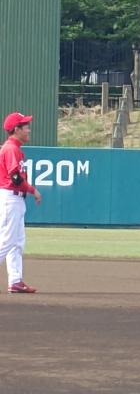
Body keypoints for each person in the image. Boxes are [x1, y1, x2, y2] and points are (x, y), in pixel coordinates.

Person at [1, 112, 42, 294]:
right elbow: (16, 178)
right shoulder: (11, 148)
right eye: (25, 126)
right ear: (16, 130)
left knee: (17, 242)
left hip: (15, 199)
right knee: (7, 241)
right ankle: (15, 281)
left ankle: (15, 281)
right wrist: (33, 190)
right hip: (10, 198)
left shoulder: (15, 148)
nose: (28, 129)